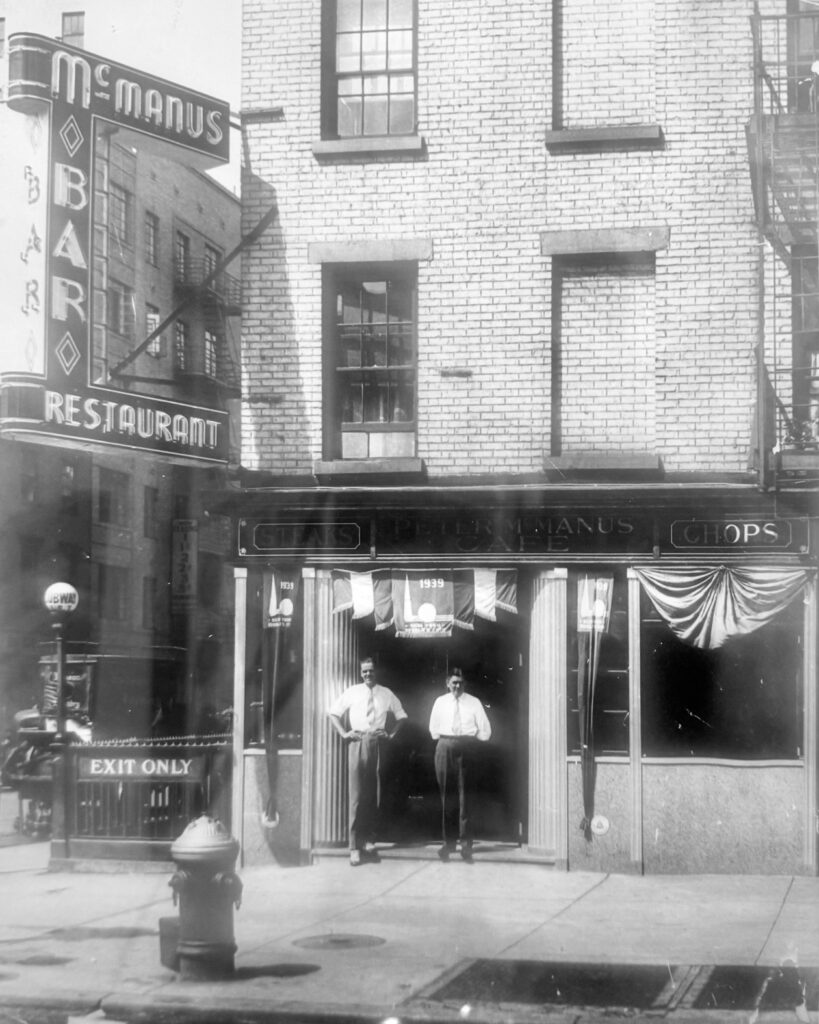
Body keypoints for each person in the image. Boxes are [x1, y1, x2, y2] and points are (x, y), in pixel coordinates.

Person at [328, 656, 408, 866]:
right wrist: (344, 734)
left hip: (377, 742)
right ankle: (354, 847)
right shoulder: (352, 692)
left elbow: (402, 716)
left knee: (375, 793)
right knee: (356, 795)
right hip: (357, 741)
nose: (368, 675)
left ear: (376, 671)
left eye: (371, 671)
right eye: (364, 671)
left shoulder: (386, 693)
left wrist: (390, 735)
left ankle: (369, 840)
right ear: (360, 672)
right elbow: (333, 713)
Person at [428, 667, 491, 862]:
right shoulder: (440, 702)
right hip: (445, 746)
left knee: (466, 798)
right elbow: (433, 730)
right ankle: (448, 844)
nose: (457, 686)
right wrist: (448, 740)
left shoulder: (474, 703)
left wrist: (468, 741)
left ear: (465, 684)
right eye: (454, 682)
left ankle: (466, 845)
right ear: (447, 684)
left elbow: (486, 731)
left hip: (467, 748)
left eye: (460, 682)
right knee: (447, 797)